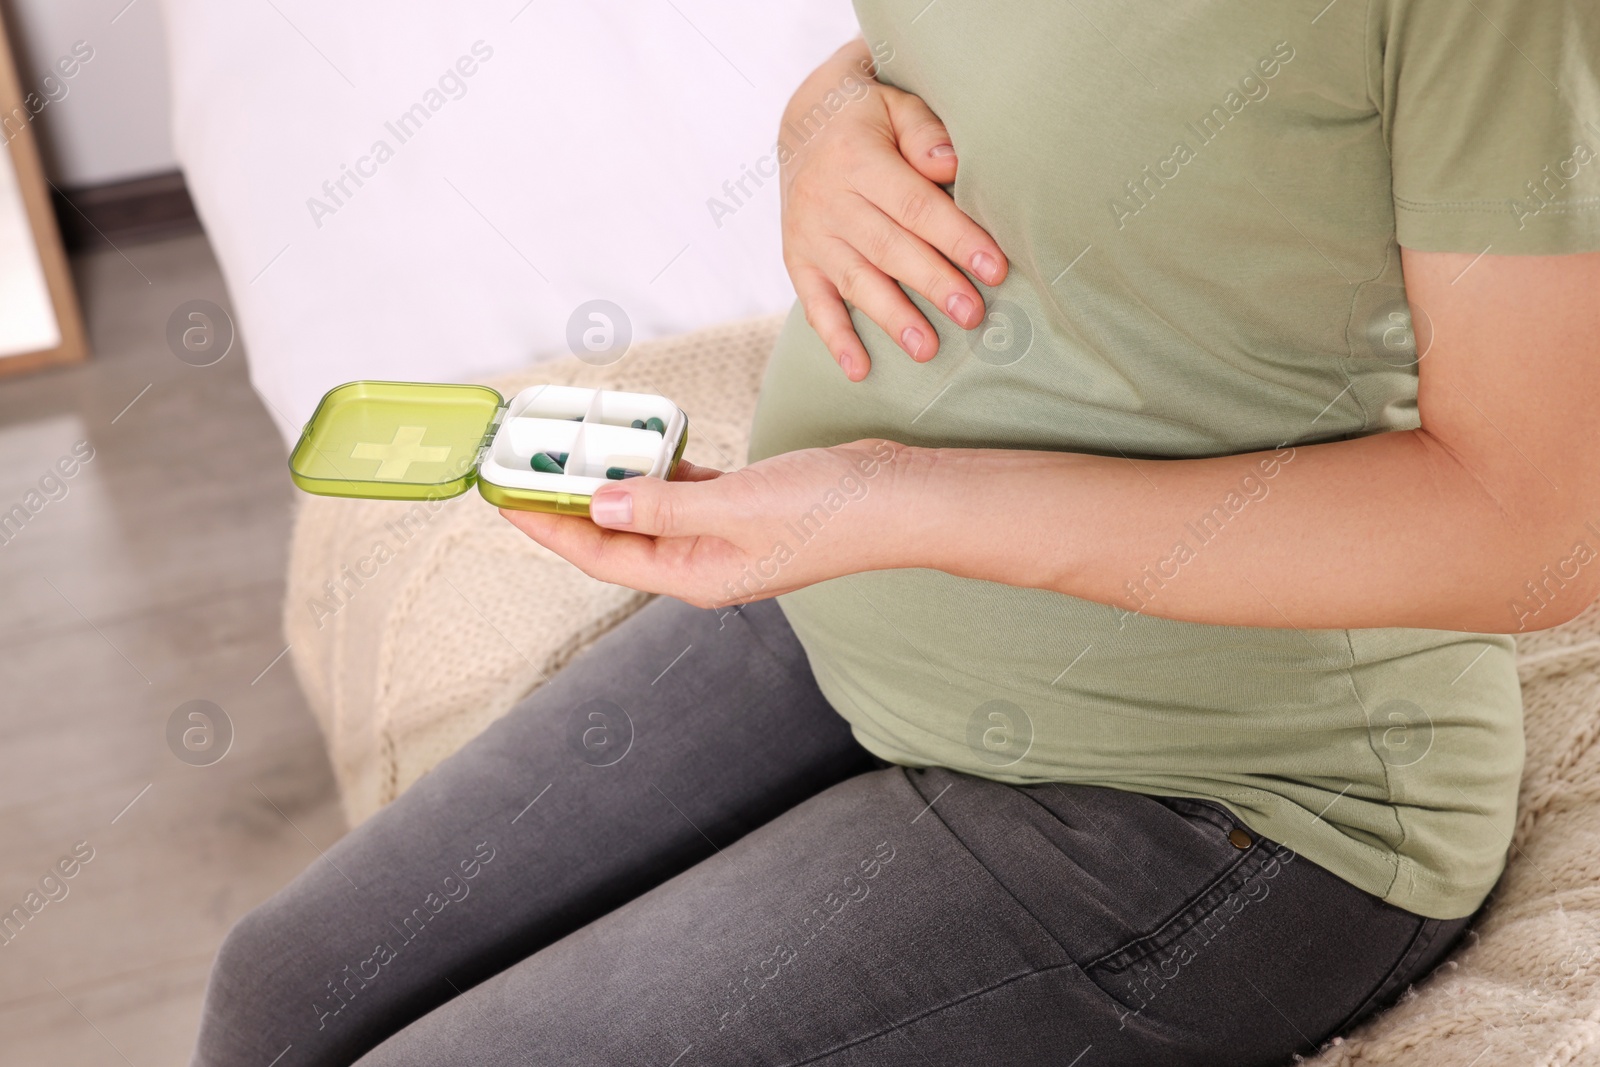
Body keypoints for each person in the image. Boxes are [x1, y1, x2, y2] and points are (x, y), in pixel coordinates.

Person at [191, 2, 1600, 1064]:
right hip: (847, 597)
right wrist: (826, 119)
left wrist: (892, 496)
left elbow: (1532, 532)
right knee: (279, 990)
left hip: (1219, 797)